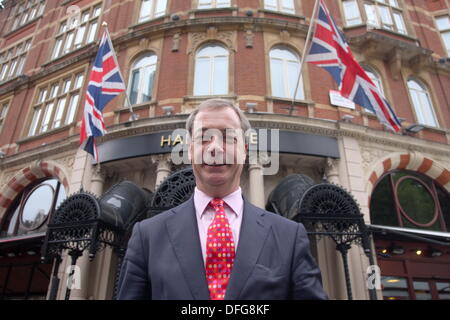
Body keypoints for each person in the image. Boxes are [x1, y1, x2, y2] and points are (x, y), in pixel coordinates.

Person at [117, 99, 328, 300]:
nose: (215, 148)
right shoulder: (147, 237)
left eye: (228, 137)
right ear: (190, 151)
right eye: (204, 138)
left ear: (244, 151)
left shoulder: (289, 237)